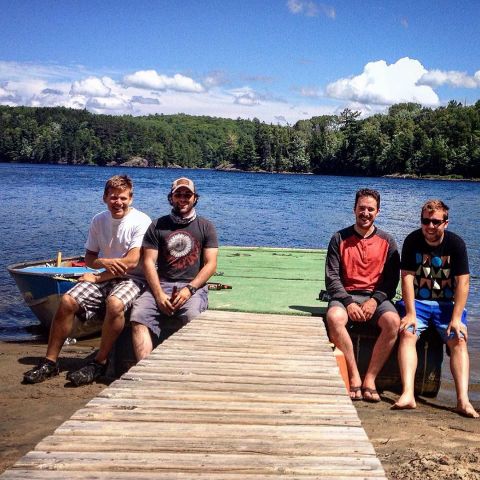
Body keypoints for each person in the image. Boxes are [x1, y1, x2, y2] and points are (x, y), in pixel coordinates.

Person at [23, 175, 151, 386]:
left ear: (131, 198)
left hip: (132, 278)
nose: (117, 202)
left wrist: (98, 275)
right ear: (104, 198)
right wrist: (103, 262)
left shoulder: (141, 221)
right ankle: (50, 361)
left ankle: (99, 362)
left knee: (115, 303)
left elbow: (130, 262)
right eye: (112, 197)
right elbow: (90, 257)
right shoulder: (98, 220)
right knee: (67, 301)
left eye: (122, 198)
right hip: (105, 275)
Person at [393, 200, 479, 418]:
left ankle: (463, 401)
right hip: (418, 304)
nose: (430, 226)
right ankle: (408, 394)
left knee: (458, 338)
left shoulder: (456, 244)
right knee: (407, 333)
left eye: (435, 222)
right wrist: (411, 313)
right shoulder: (412, 240)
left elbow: (463, 283)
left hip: (446, 305)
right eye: (425, 221)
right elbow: (407, 278)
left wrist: (457, 317)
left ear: (445, 223)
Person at [130, 177, 218, 361]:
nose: (183, 198)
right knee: (138, 315)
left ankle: (187, 366)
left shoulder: (206, 226)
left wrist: (189, 290)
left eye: (188, 194)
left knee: (193, 316)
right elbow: (148, 262)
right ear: (171, 198)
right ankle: (145, 370)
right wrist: (159, 294)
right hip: (162, 285)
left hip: (192, 287)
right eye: (178, 194)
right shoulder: (157, 226)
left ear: (195, 198)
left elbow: (210, 264)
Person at [326, 188, 400, 402]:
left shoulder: (388, 241)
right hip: (346, 295)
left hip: (375, 297)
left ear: (377, 212)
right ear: (354, 209)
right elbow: (331, 278)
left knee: (393, 322)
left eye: (370, 209)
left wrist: (374, 301)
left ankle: (370, 379)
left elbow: (391, 281)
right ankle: (353, 375)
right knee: (334, 318)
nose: (365, 213)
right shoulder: (339, 238)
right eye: (361, 208)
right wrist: (348, 303)